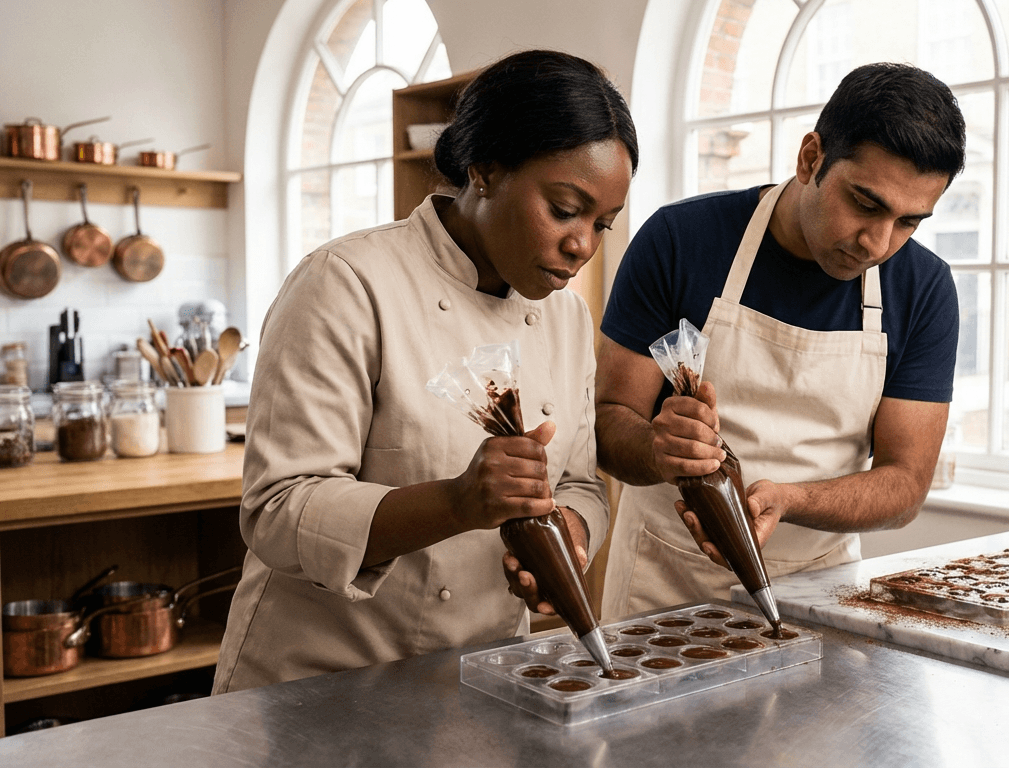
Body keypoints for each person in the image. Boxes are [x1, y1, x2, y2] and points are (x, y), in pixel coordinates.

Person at [213, 49, 637, 693]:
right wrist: (457, 502)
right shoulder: (348, 283)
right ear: (486, 169)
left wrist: (567, 536)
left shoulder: (566, 319)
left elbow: (577, 483)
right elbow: (278, 510)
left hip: (482, 679)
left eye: (601, 224)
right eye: (564, 208)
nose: (582, 244)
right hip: (319, 684)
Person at [596, 62, 964, 619]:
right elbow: (609, 419)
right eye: (866, 204)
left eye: (910, 221)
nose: (878, 242)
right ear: (811, 157)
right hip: (666, 581)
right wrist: (658, 448)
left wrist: (790, 501)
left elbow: (906, 486)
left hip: (819, 589)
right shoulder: (680, 241)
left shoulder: (924, 288)